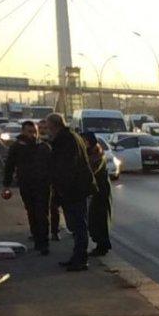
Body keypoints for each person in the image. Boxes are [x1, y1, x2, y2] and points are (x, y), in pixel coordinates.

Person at [41, 113, 95, 272]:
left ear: (54, 126)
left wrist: (61, 190)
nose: (47, 131)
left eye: (48, 128)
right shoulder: (72, 136)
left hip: (74, 189)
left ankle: (80, 259)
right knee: (77, 225)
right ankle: (77, 257)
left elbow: (66, 167)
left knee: (78, 226)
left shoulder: (65, 140)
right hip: (78, 188)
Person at [1, 120, 52, 254]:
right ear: (23, 132)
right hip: (26, 185)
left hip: (43, 185)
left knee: (42, 213)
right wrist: (6, 185)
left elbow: (53, 165)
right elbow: (9, 166)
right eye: (30, 132)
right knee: (32, 212)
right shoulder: (17, 147)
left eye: (35, 132)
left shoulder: (44, 147)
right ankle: (37, 238)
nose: (33, 135)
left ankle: (44, 242)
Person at [83, 132, 112, 256]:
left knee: (99, 218)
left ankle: (102, 245)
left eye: (83, 140)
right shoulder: (91, 151)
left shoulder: (97, 153)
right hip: (97, 189)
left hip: (101, 189)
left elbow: (90, 170)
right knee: (94, 218)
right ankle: (100, 243)